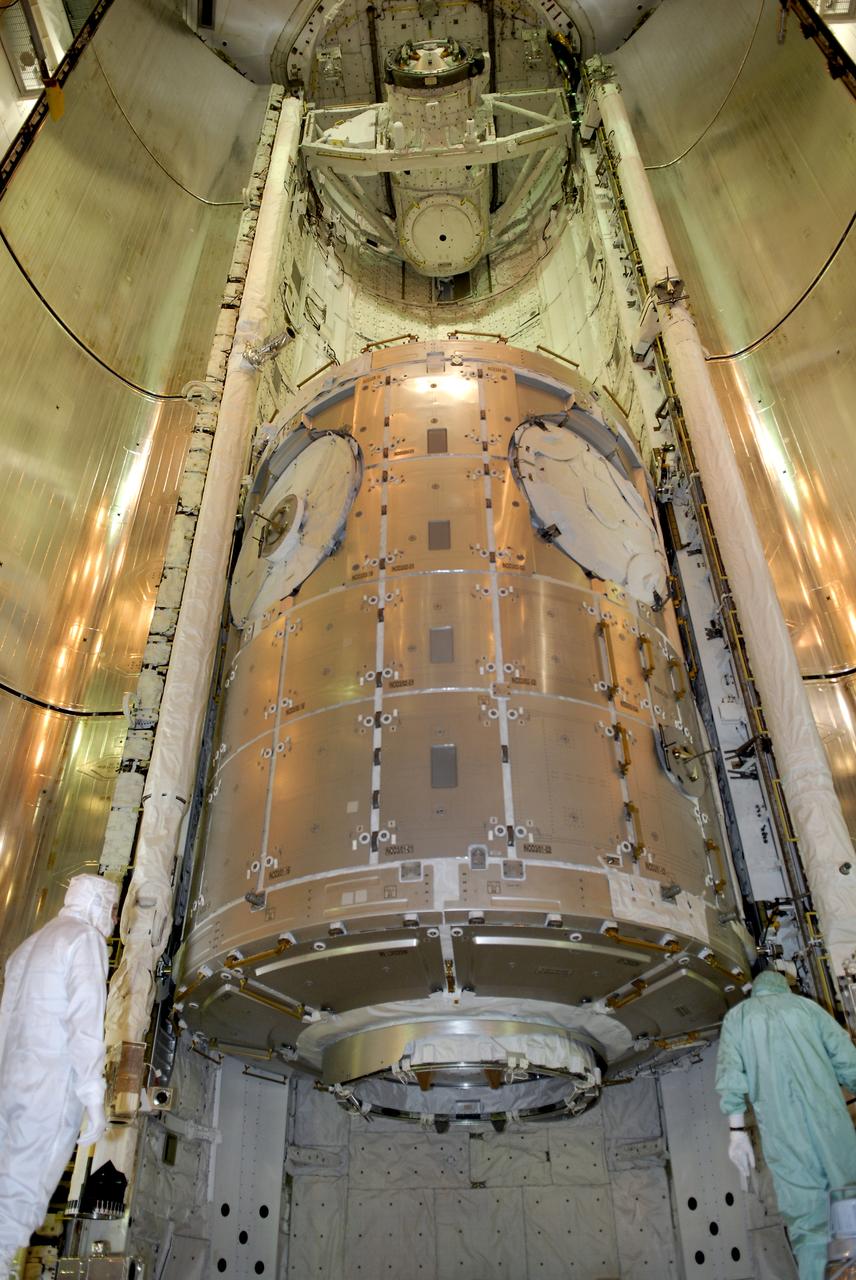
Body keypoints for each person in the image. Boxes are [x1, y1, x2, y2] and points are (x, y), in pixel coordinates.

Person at [0, 874, 119, 1277]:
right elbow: (84, 1021)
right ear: (98, 905)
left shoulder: (27, 947)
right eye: (113, 909)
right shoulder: (82, 939)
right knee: (20, 1203)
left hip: (11, 1086)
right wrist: (93, 1093)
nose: (114, 919)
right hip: (48, 1091)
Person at [716, 968, 856, 1280]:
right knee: (849, 1200)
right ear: (784, 987)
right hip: (832, 1127)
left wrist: (737, 1132)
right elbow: (848, 1061)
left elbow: (730, 1076)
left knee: (808, 1225)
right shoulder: (809, 1009)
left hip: (784, 1136)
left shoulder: (738, 1018)